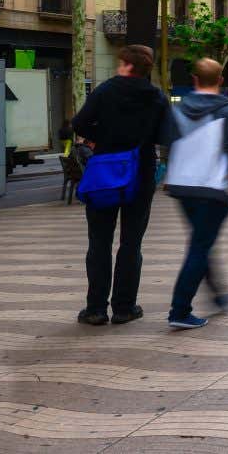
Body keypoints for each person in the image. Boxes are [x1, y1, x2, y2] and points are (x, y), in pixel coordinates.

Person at [72, 44, 170, 327]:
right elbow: (167, 135)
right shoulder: (156, 97)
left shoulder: (105, 90)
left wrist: (102, 137)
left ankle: (95, 309)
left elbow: (79, 123)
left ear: (127, 64)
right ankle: (125, 307)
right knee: (131, 243)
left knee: (99, 241)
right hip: (140, 174)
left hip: (104, 173)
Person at [162, 58, 228, 330]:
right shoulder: (227, 110)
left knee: (201, 243)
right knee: (200, 246)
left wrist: (168, 176)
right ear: (220, 81)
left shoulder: (178, 109)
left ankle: (219, 295)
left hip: (182, 186)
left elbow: (169, 145)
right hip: (212, 187)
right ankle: (180, 309)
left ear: (194, 80)